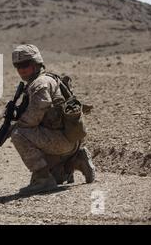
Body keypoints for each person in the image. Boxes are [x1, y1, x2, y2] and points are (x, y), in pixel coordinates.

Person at [9, 44, 95, 194]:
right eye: (17, 66)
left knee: (18, 134)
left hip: (62, 140)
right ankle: (78, 159)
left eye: (25, 64)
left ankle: (43, 180)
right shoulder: (46, 79)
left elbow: (35, 115)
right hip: (69, 139)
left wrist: (14, 126)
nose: (21, 69)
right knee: (58, 177)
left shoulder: (40, 83)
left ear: (36, 64)